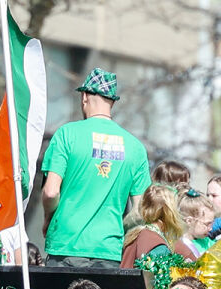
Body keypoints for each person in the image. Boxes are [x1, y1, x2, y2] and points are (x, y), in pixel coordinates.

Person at [40, 68, 151, 268]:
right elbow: (141, 211)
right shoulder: (135, 148)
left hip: (66, 247)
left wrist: (48, 217)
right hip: (109, 251)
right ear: (113, 102)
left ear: (84, 97)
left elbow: (50, 192)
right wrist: (116, 228)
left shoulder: (67, 134)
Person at [119, 184, 192, 267]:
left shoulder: (138, 234)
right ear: (170, 212)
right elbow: (160, 278)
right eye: (176, 208)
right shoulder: (156, 245)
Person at [177, 188, 215, 259]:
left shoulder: (206, 241)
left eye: (212, 223)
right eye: (207, 224)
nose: (211, 228)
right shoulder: (180, 246)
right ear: (189, 221)